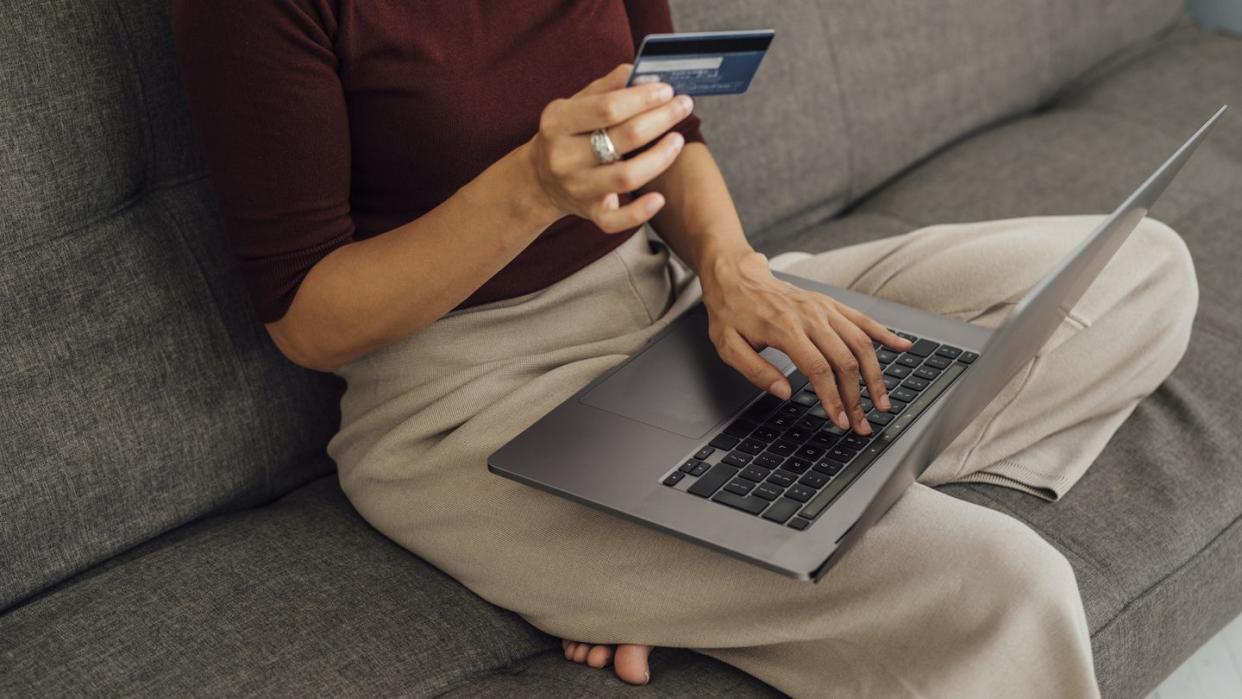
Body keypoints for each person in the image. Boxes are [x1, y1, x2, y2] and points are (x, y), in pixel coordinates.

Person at [172, 2, 1198, 695]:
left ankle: (749, 529)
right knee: (1003, 589)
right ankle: (745, 529)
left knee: (1142, 270)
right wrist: (531, 188)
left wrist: (734, 270)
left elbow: (669, 124)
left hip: (673, 308)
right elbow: (308, 318)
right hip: (470, 403)